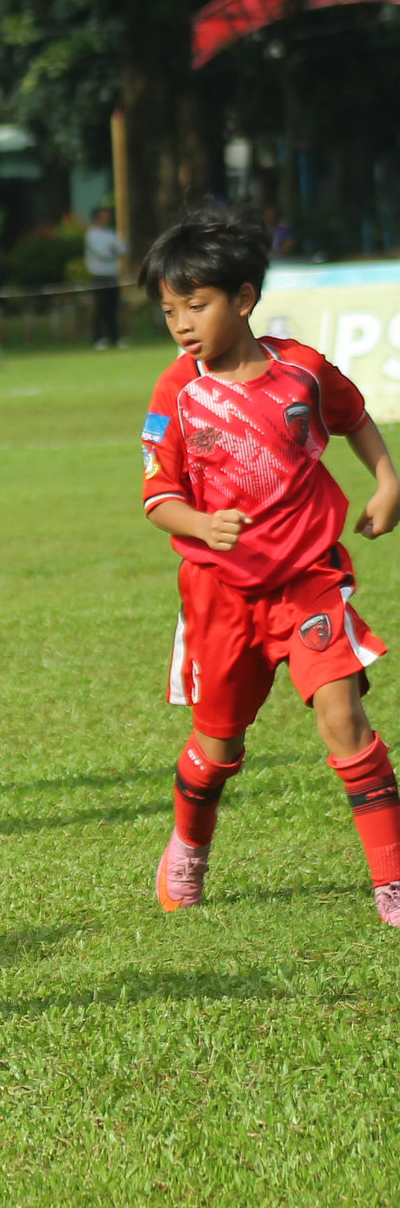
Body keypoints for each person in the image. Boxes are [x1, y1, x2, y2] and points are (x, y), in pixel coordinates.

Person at [138, 208, 400, 925]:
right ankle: (189, 847)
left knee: (345, 718)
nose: (182, 324)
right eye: (169, 311)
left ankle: (392, 880)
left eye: (196, 305)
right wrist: (202, 524)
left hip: (310, 578)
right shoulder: (175, 393)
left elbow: (353, 416)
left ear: (245, 298)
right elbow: (157, 497)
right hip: (220, 593)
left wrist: (387, 480)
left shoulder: (301, 371)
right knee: (217, 747)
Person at [86, 206, 125, 350]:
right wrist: (114, 250)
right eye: (103, 217)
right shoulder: (92, 235)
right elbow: (104, 253)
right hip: (99, 276)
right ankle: (99, 337)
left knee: (113, 308)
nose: (106, 219)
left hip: (112, 276)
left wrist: (114, 250)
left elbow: (123, 249)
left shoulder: (111, 233)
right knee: (101, 308)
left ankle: (114, 337)